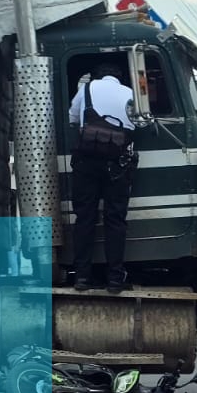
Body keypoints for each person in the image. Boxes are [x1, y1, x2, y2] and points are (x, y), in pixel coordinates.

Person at [67, 64, 137, 293]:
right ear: (119, 78)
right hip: (118, 164)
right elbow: (139, 123)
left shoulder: (86, 90)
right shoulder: (130, 93)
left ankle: (82, 278)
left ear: (97, 76)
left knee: (84, 218)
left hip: (86, 162)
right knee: (115, 220)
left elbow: (72, 118)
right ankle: (115, 279)